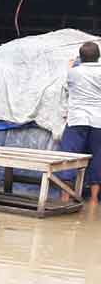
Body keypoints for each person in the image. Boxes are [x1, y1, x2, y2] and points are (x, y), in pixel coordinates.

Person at [62, 42, 101, 203]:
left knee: (70, 156)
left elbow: (67, 81)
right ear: (98, 57)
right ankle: (94, 199)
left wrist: (72, 64)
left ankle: (65, 197)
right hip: (98, 120)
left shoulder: (73, 72)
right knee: (98, 157)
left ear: (81, 57)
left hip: (77, 119)